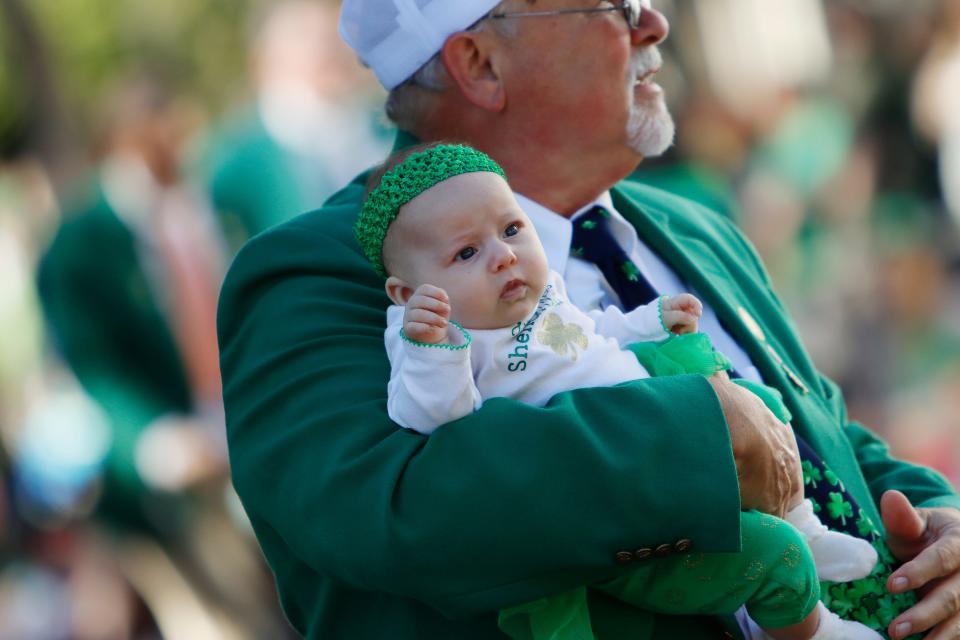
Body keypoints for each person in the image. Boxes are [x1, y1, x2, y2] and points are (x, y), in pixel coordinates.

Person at [217, 1, 960, 638]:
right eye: (613, 3)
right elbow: (388, 510)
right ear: (480, 64)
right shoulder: (316, 272)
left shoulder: (692, 225)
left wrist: (938, 522)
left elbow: (819, 425)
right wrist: (698, 432)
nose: (654, 22)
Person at [361, 141, 882, 640]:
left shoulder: (545, 292)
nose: (503, 256)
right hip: (634, 510)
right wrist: (431, 345)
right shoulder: (438, 337)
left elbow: (590, 334)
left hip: (676, 426)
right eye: (467, 251)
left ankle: (807, 524)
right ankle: (813, 629)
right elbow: (434, 418)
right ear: (406, 293)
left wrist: (650, 320)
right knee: (768, 553)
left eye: (513, 228)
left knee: (760, 404)